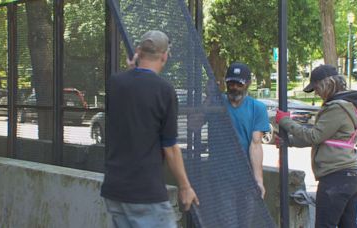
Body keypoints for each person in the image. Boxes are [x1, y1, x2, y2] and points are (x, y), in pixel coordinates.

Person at [100, 30, 199, 228]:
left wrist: (131, 70)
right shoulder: (164, 90)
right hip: (145, 193)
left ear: (138, 52)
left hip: (114, 189)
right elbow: (170, 147)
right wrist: (185, 186)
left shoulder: (115, 83)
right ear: (165, 56)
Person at [275, 64, 357, 228]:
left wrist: (285, 121)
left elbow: (314, 136)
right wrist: (289, 141)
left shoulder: (337, 108)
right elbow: (322, 137)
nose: (316, 92)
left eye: (316, 87)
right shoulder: (347, 104)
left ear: (326, 83)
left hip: (335, 179)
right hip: (349, 177)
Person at [223, 62, 271, 198]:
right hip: (220, 175)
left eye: (239, 84)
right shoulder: (216, 103)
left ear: (248, 83)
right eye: (231, 83)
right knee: (225, 218)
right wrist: (208, 100)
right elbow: (194, 125)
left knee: (246, 218)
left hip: (246, 176)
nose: (235, 88)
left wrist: (258, 180)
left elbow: (255, 144)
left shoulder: (258, 108)